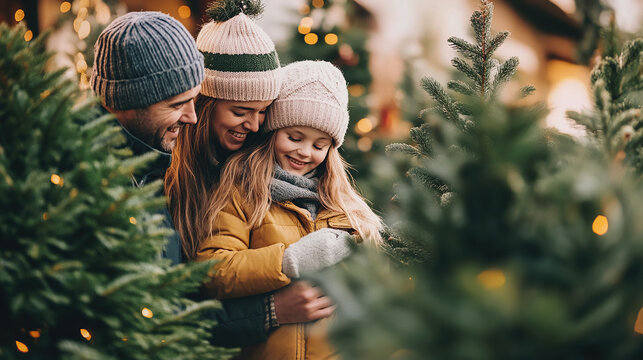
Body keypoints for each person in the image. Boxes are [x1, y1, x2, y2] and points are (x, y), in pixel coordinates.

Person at [91, 10, 328, 349]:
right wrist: (268, 311)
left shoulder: (261, 160)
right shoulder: (159, 175)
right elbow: (163, 307)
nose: (255, 125)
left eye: (263, 111)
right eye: (240, 111)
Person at [187, 60, 384, 359]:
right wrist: (287, 261)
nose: (305, 152)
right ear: (273, 131)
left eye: (320, 145)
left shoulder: (343, 204)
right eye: (294, 137)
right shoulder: (243, 191)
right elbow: (211, 271)